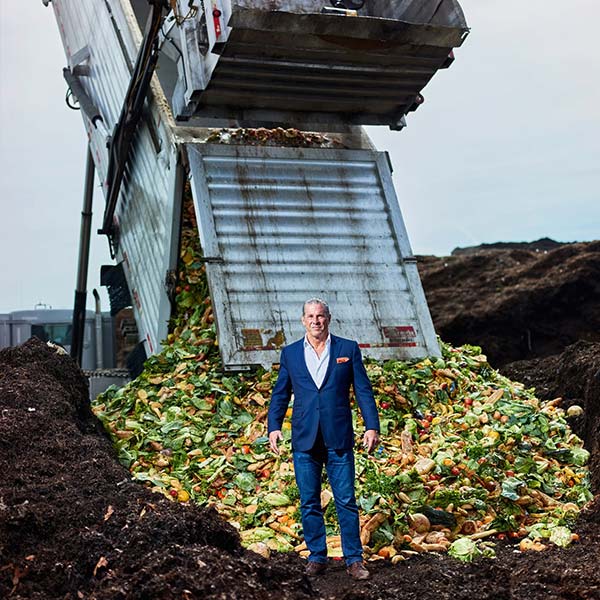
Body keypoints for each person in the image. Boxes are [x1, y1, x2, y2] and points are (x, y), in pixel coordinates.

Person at [268, 298, 380, 580]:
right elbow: (281, 393)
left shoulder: (347, 349)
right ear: (303, 320)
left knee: (346, 500)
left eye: (320, 316)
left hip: (338, 437)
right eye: (310, 316)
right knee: (308, 501)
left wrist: (371, 426)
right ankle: (317, 556)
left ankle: (354, 560)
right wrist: (274, 426)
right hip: (305, 438)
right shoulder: (291, 353)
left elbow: (363, 390)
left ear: (328, 318)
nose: (316, 321)